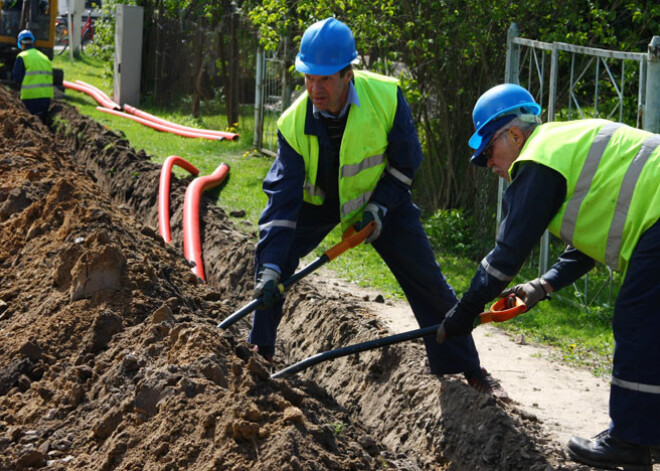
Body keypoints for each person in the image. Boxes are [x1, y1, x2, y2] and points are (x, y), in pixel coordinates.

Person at [248, 17, 505, 397]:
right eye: (309, 78)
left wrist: (380, 208)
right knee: (271, 264)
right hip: (316, 203)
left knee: (427, 280)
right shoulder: (292, 124)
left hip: (382, 198)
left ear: (347, 73)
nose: (315, 88)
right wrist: (270, 269)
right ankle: (261, 353)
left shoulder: (385, 96)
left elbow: (405, 164)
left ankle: (465, 366)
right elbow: (281, 203)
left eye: (325, 79)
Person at [437, 83, 660, 470]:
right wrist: (543, 285)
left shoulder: (538, 159)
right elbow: (589, 245)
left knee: (638, 319)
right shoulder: (562, 147)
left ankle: (630, 440)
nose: (489, 163)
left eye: (489, 150)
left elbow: (505, 257)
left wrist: (465, 313)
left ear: (514, 134)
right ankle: (645, 433)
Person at [12, 29, 53, 121]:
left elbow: (17, 78)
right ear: (33, 42)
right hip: (46, 97)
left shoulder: (22, 57)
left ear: (20, 43)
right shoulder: (45, 57)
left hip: (30, 98)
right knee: (42, 123)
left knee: (32, 126)